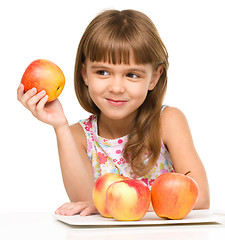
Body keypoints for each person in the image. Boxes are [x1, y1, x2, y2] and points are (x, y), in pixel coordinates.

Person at [17, 9, 210, 216]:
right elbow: (83, 202)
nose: (116, 87)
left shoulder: (167, 122)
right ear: (84, 74)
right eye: (103, 72)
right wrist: (60, 126)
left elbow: (201, 197)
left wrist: (112, 206)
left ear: (154, 77)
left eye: (132, 75)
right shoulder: (79, 137)